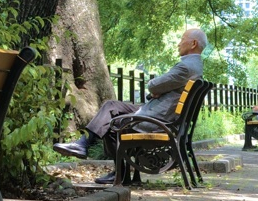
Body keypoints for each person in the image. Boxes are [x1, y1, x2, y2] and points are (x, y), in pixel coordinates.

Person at [53, 28, 207, 183]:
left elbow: (154, 85)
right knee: (111, 106)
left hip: (157, 120)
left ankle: (119, 172)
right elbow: (162, 88)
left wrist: (156, 89)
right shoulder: (194, 66)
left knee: (112, 122)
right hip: (161, 114)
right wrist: (159, 91)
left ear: (193, 43)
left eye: (182, 39)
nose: (178, 44)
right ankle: (84, 144)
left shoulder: (185, 67)